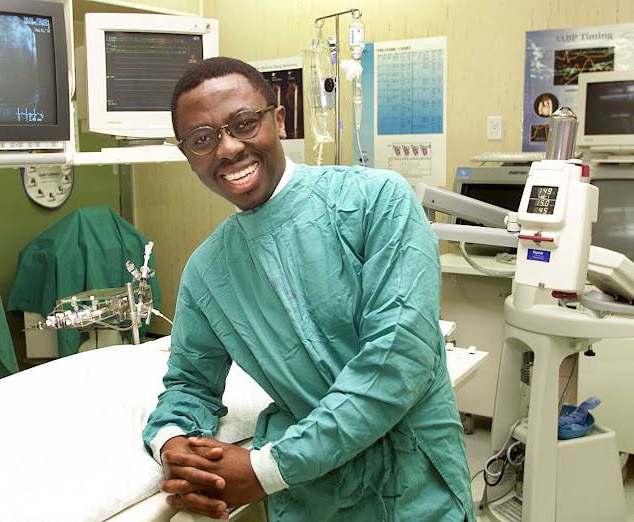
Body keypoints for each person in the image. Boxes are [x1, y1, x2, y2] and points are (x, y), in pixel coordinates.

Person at [143, 57, 475, 521]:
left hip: (415, 487)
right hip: (314, 500)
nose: (227, 149)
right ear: (188, 155)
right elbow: (189, 384)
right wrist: (174, 446)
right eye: (202, 139)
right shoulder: (207, 272)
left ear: (278, 120)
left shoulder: (377, 201)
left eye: (243, 123)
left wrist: (266, 469)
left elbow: (397, 360)